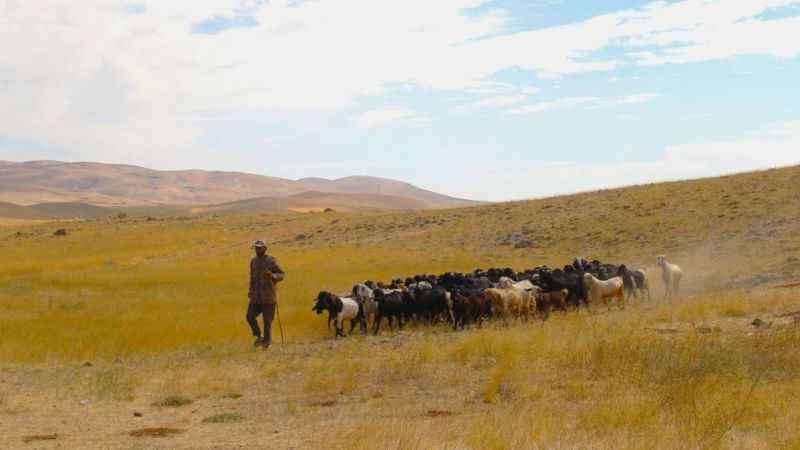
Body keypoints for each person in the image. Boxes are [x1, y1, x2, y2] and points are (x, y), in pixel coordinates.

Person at [246, 240, 285, 348]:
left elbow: (281, 274)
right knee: (249, 316)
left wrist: (273, 276)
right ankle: (258, 336)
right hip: (255, 297)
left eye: (260, 248)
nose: (257, 249)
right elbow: (252, 278)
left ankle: (266, 344)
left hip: (268, 298)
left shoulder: (271, 261)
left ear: (265, 248)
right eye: (256, 248)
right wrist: (250, 290)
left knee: (267, 323)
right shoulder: (253, 261)